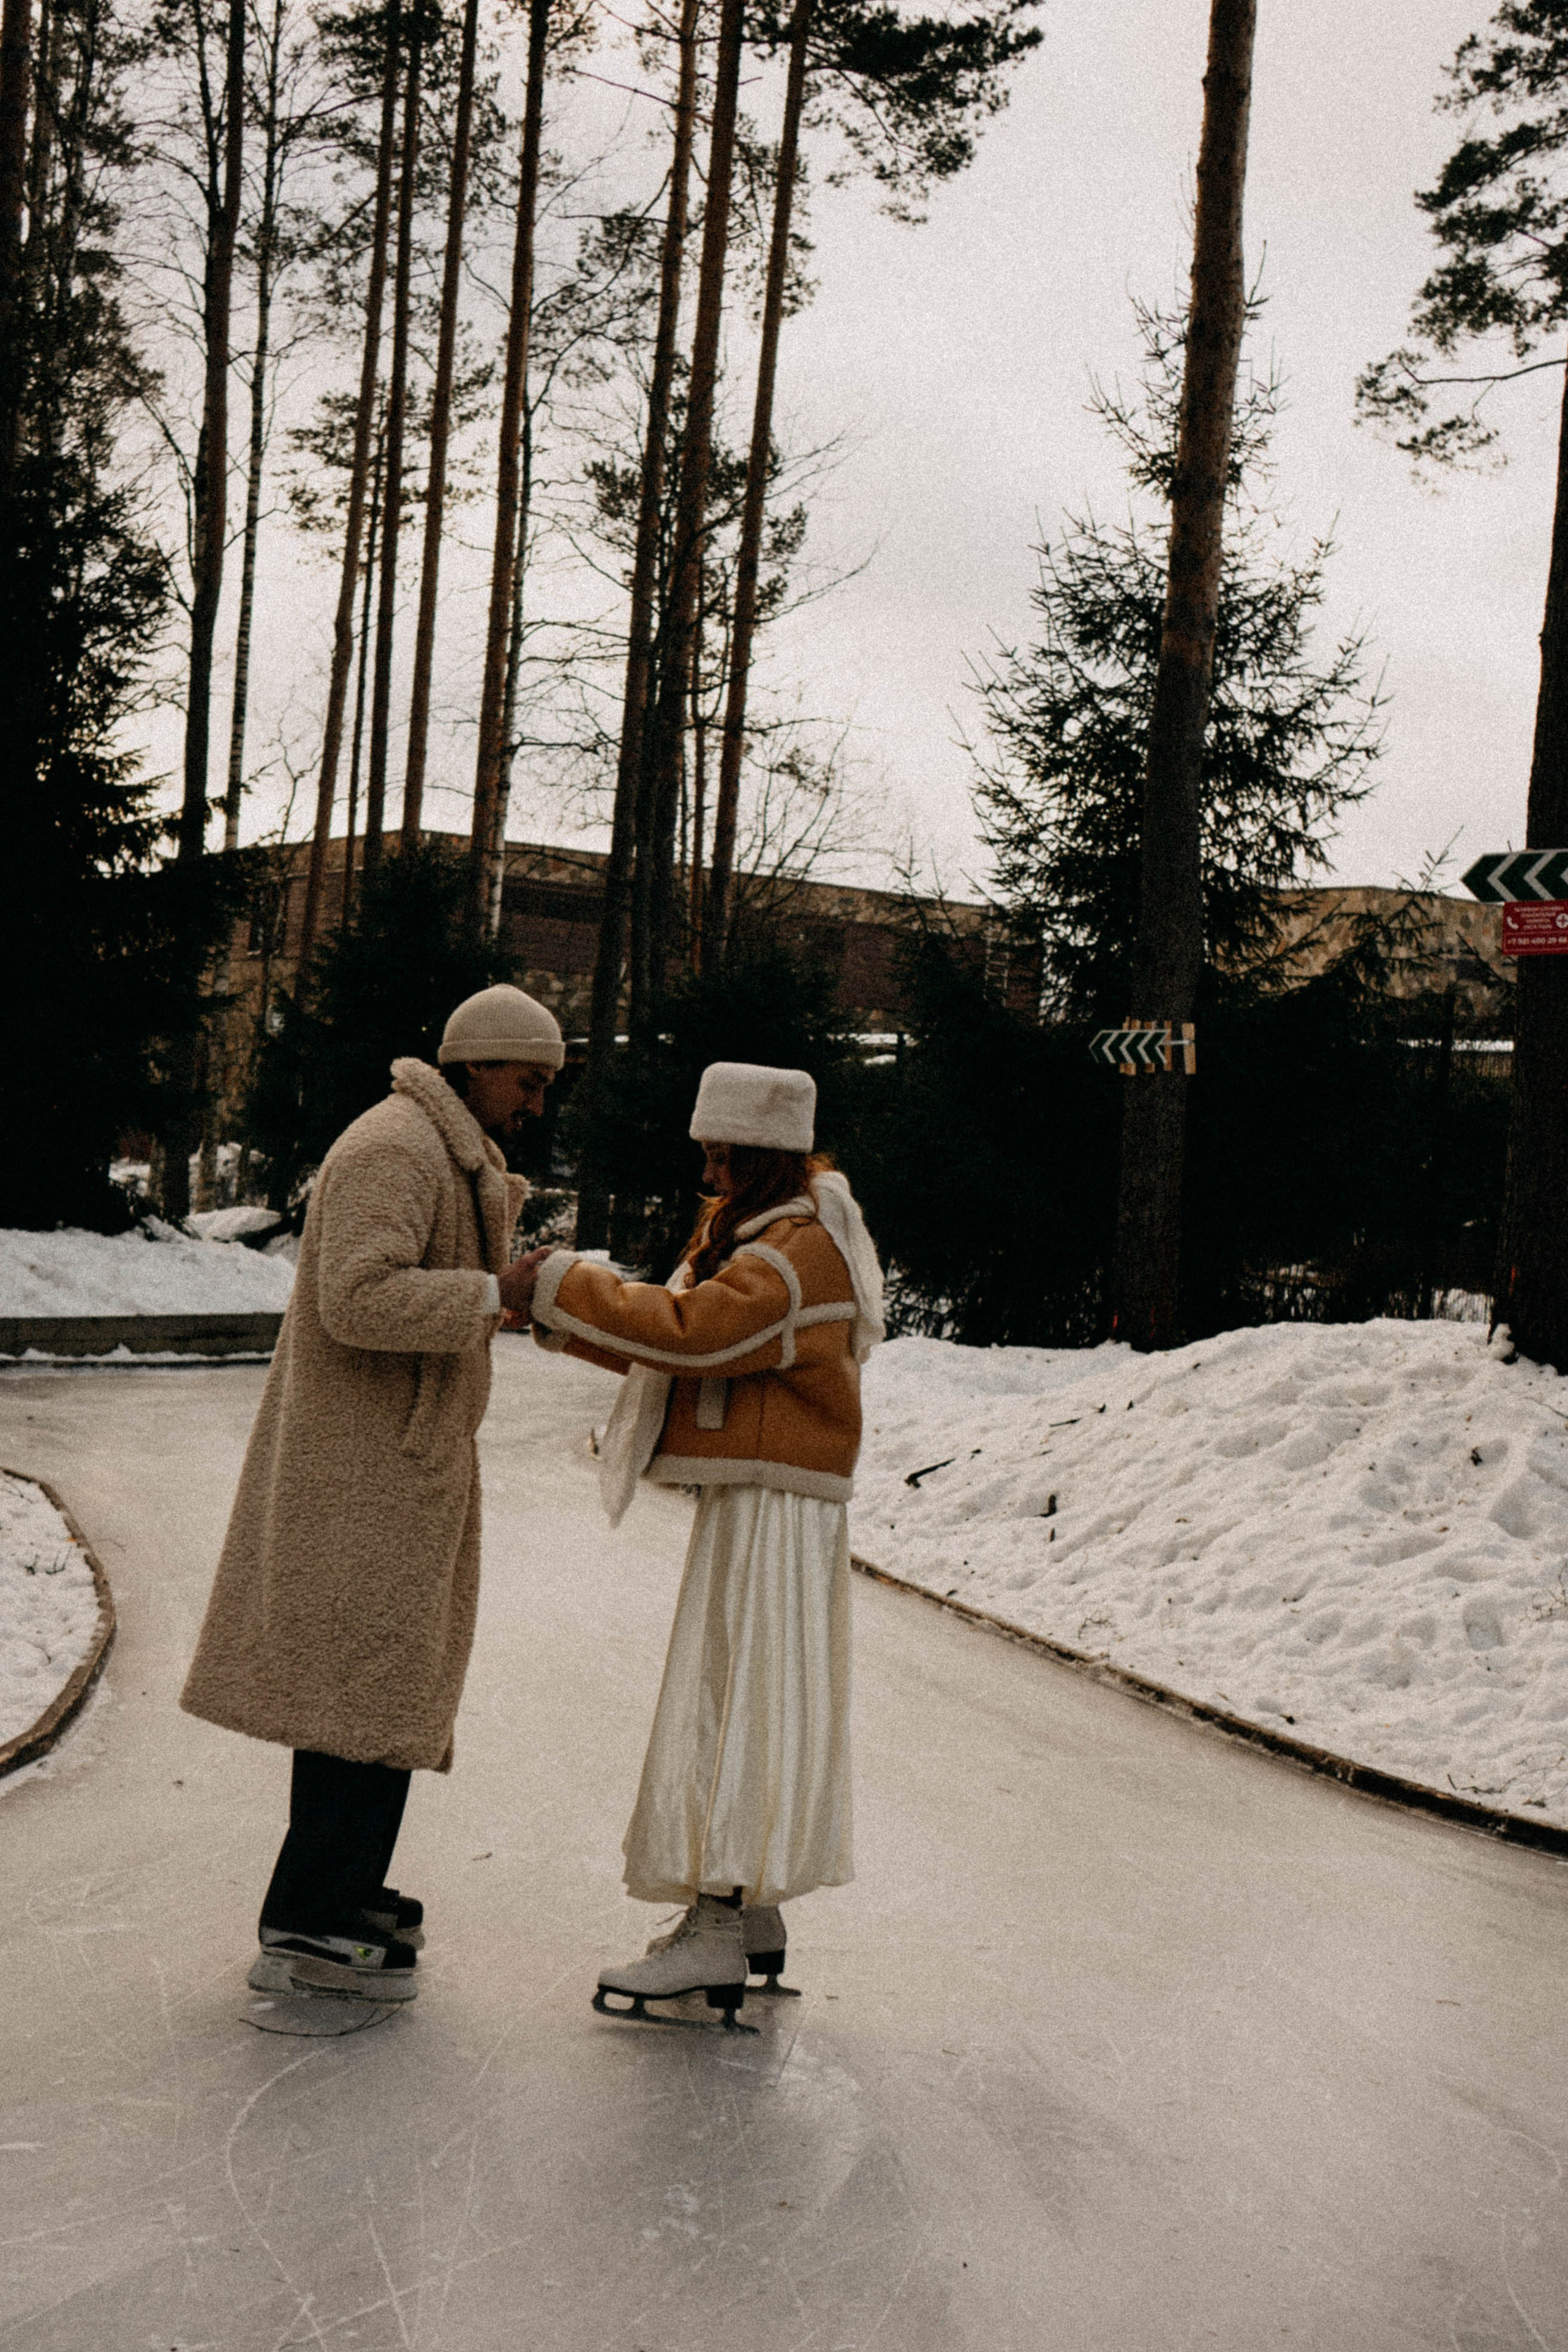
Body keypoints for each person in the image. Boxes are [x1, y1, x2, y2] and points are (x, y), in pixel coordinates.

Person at [180, 984, 561, 2007]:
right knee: (356, 1690)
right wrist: (493, 1293)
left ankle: (344, 1886)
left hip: (397, 1467)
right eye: (529, 1081)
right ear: (478, 1063)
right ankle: (306, 1914)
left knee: (382, 1687)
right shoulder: (396, 1147)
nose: (535, 1104)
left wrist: (501, 1295)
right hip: (361, 1473)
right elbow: (354, 1295)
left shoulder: (443, 1151)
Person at [510, 1060, 884, 2027]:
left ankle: (717, 1919)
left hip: (772, 1506)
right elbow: (682, 1348)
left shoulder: (793, 1251)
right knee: (750, 1688)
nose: (709, 1175)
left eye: (724, 1156)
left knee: (732, 1695)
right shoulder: (784, 1231)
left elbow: (695, 1333)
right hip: (768, 1499)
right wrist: (558, 1320)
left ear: (767, 1155)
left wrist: (562, 1282)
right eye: (705, 1154)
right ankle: (748, 1913)